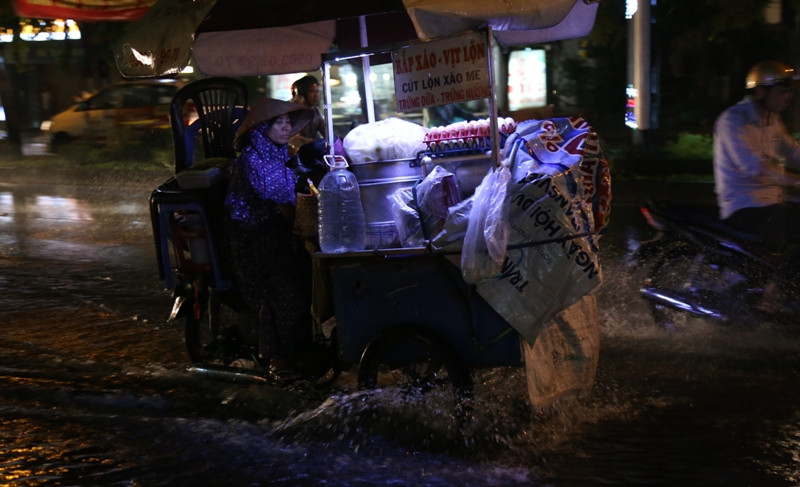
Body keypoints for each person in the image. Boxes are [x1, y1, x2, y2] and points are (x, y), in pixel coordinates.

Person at [225, 97, 315, 381]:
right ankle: (277, 359)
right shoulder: (252, 159)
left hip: (278, 231)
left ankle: (303, 351)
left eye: (288, 121)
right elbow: (276, 198)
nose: (286, 126)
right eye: (280, 122)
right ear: (264, 127)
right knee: (286, 289)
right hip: (254, 238)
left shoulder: (283, 153)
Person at [713, 60, 800, 314]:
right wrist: (796, 181)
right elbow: (754, 167)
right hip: (746, 207)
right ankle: (776, 291)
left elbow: (793, 152)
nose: (788, 96)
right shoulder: (734, 120)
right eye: (782, 90)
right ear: (761, 91)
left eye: (790, 90)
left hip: (773, 203)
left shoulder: (771, 120)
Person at [289, 74, 326, 142]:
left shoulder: (316, 111)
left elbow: (327, 134)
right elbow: (294, 140)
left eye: (317, 91)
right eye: (312, 91)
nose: (316, 95)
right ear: (302, 93)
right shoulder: (290, 110)